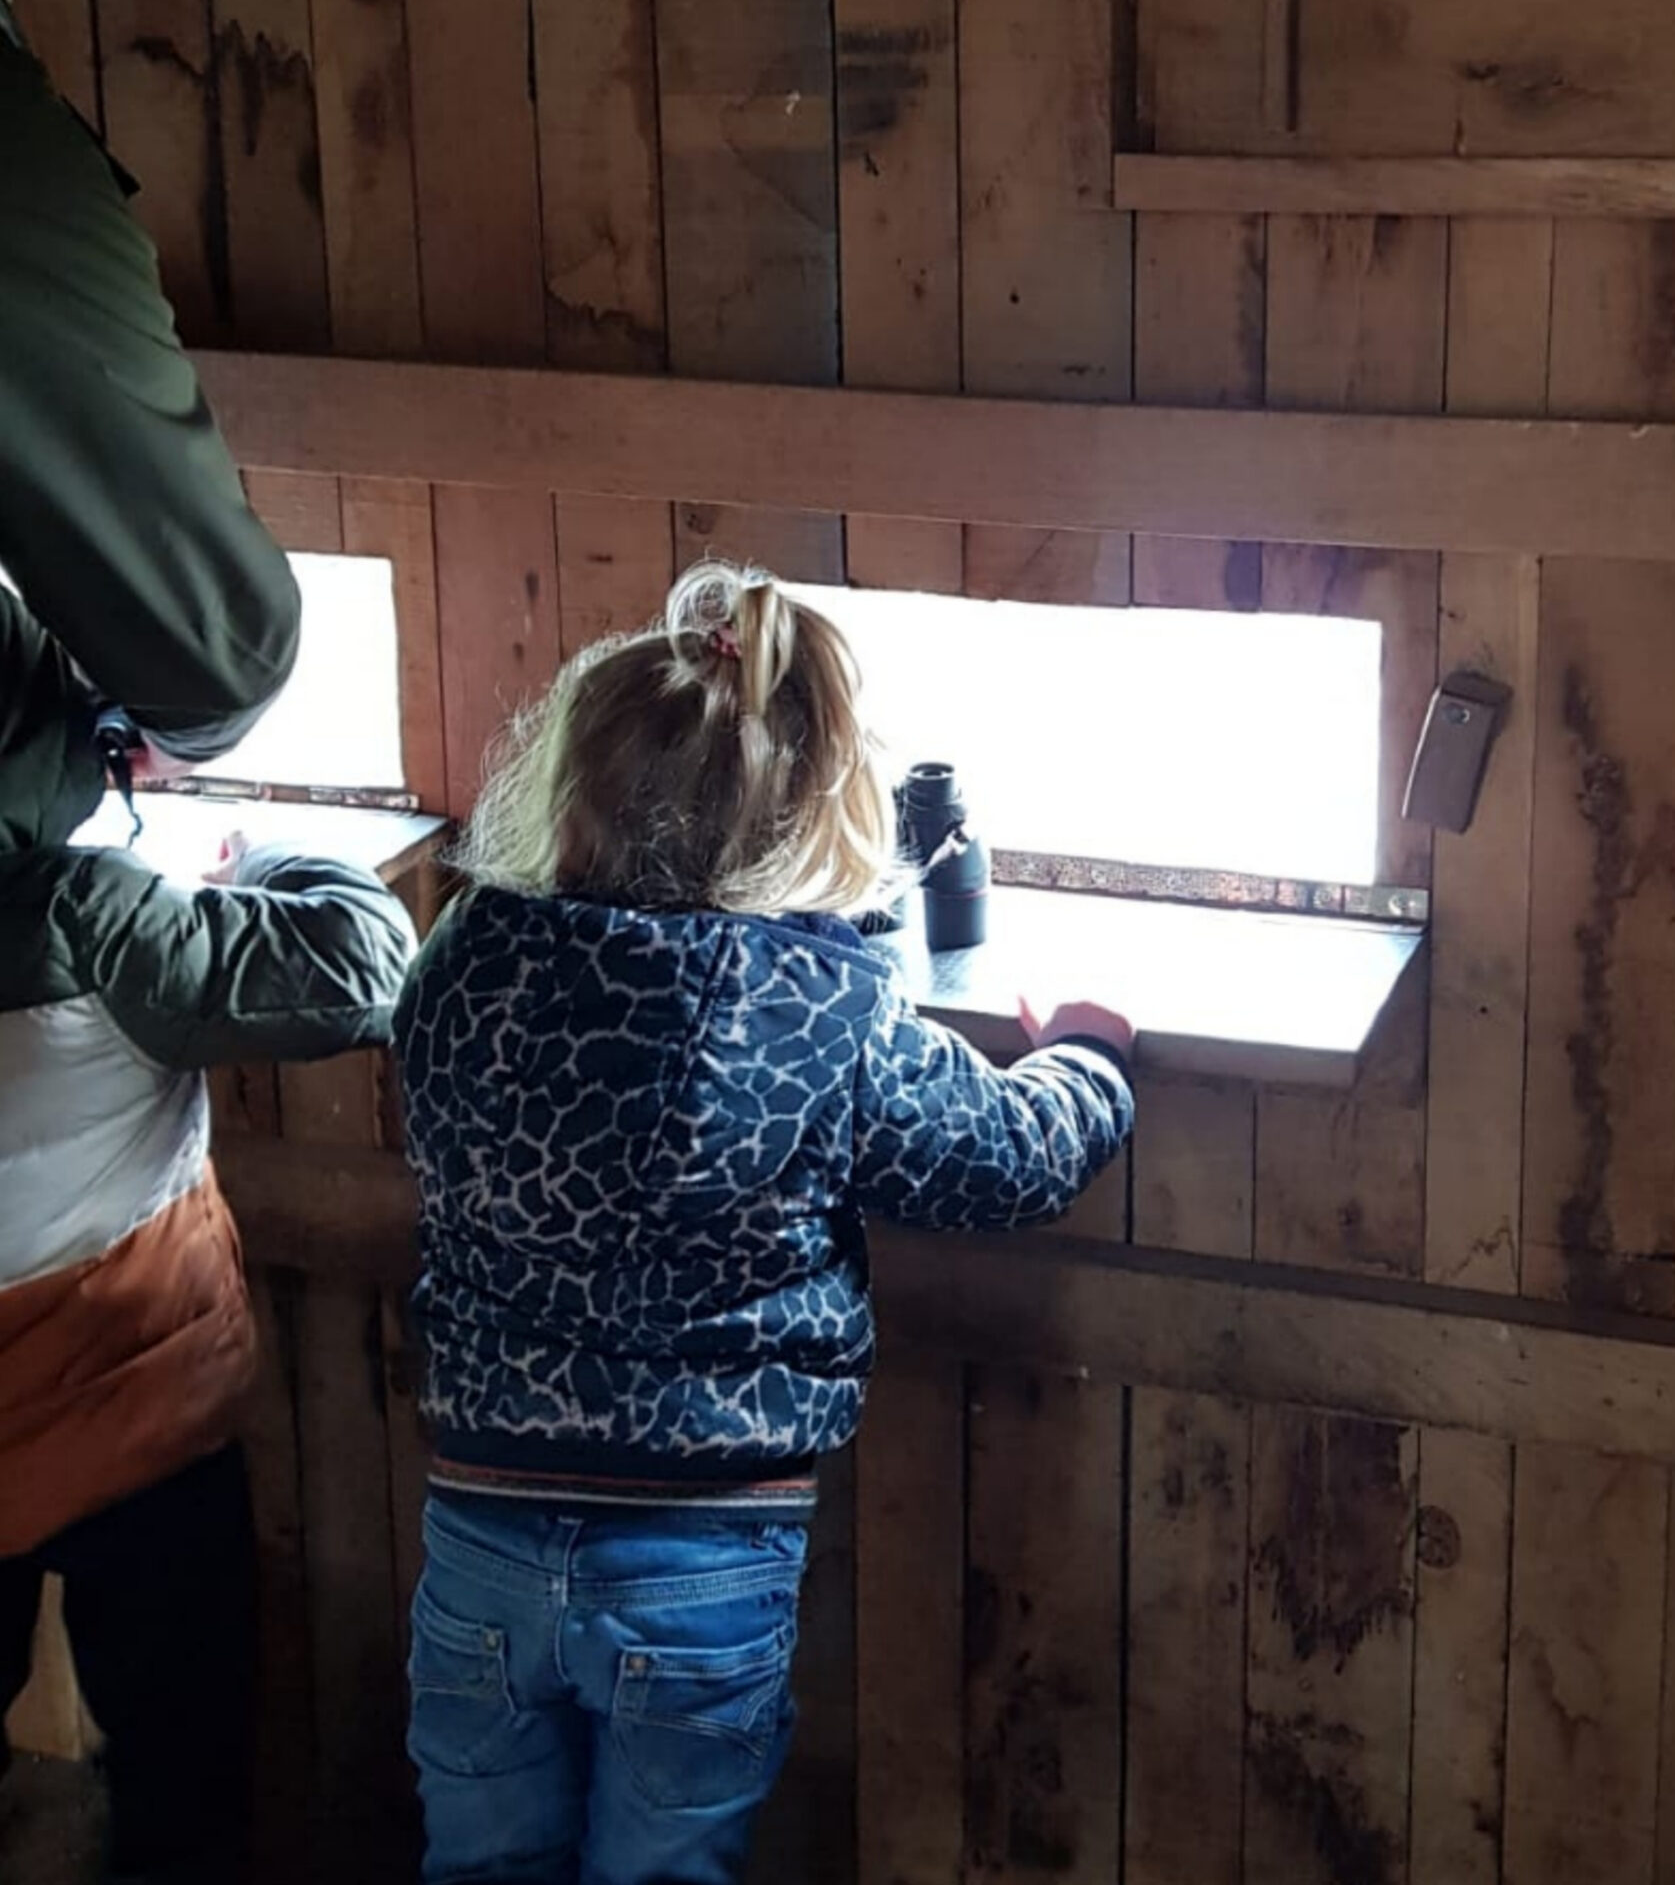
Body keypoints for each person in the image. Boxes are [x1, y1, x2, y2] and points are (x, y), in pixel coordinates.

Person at [396, 562, 1136, 1885]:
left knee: (480, 1870)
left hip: (480, 1540)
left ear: (565, 788)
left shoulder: (462, 961)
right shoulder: (818, 1007)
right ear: (817, 818)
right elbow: (1005, 1163)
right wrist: (1087, 1058)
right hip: (702, 1559)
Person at [0, 0, 421, 1882]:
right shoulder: (115, 923)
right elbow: (343, 964)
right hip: (102, 1329)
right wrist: (249, 868)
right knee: (177, 1667)